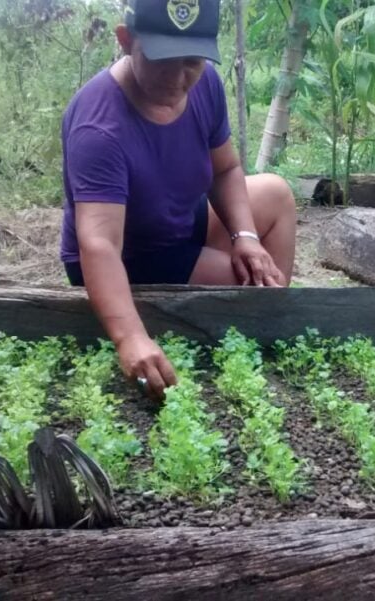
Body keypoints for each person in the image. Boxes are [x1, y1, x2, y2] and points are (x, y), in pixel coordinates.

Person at [59, 0, 296, 401]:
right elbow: (99, 244)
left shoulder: (205, 86)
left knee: (275, 193)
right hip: (131, 254)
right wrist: (130, 337)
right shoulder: (100, 127)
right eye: (162, 59)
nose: (177, 77)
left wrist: (245, 236)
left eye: (192, 61)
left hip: (180, 216)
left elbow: (225, 170)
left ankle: (267, 327)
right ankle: (255, 325)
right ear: (125, 40)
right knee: (248, 295)